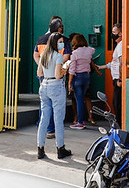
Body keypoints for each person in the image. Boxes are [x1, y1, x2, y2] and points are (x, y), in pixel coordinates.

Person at [33, 16, 71, 138]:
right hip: (57, 76)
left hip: (43, 76)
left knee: (44, 103)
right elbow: (66, 56)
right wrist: (59, 66)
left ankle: (42, 127)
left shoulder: (40, 39)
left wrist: (44, 66)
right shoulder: (64, 40)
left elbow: (36, 55)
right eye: (61, 26)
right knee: (56, 105)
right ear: (58, 28)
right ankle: (51, 130)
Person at [36, 32, 72, 160]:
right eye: (60, 41)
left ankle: (40, 149)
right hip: (56, 86)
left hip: (44, 85)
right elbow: (58, 75)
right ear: (55, 43)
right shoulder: (57, 56)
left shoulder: (43, 55)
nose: (62, 43)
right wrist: (65, 69)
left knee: (44, 118)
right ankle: (60, 148)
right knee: (58, 119)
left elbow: (39, 72)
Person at [67, 34, 98, 129]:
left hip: (77, 77)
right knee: (83, 98)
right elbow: (93, 50)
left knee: (79, 100)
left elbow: (72, 70)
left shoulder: (74, 54)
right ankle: (84, 119)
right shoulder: (89, 51)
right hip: (86, 77)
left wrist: (69, 83)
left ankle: (80, 122)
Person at [99, 23, 123, 126]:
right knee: (116, 103)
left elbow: (122, 62)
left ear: (120, 33)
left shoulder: (121, 45)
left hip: (118, 79)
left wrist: (120, 79)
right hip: (116, 78)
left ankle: (120, 126)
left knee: (118, 104)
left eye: (114, 32)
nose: (112, 34)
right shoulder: (118, 45)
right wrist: (101, 67)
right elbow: (114, 62)